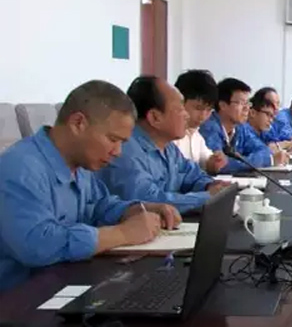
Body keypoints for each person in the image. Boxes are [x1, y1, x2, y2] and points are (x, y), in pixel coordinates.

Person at [0, 80, 181, 292]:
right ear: (78, 123)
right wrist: (123, 234)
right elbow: (37, 245)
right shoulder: (20, 168)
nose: (118, 152)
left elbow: (99, 205)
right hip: (18, 299)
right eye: (112, 139)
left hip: (66, 280)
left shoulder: (81, 164)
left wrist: (136, 209)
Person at [97, 77, 231, 214]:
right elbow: (149, 202)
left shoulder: (168, 147)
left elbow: (193, 175)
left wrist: (209, 185)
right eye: (180, 109)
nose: (186, 116)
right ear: (155, 117)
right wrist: (209, 197)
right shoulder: (125, 151)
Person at [199, 78, 287, 173]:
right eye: (241, 103)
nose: (246, 108)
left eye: (247, 103)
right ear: (223, 105)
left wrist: (242, 161)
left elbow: (265, 150)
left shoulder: (240, 127)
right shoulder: (209, 128)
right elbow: (219, 166)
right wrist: (269, 160)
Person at [173, 70, 227, 174]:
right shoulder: (169, 136)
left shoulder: (196, 136)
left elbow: (206, 161)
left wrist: (214, 162)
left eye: (209, 110)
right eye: (198, 108)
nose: (203, 116)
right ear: (179, 102)